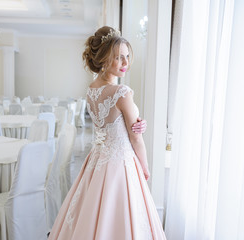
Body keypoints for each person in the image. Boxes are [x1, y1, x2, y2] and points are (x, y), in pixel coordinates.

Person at [48, 26, 166, 240]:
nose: (125, 63)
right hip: (121, 163)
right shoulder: (122, 92)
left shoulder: (92, 89)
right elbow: (135, 137)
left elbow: (113, 125)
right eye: (118, 58)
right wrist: (145, 166)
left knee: (90, 212)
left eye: (127, 57)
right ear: (103, 60)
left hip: (97, 160)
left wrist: (136, 123)